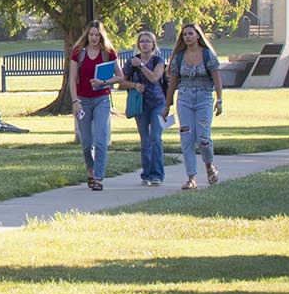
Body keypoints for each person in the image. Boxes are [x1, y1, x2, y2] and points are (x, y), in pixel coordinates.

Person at [166, 22, 224, 190]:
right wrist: (167, 105)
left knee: (203, 138)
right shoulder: (178, 57)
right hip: (184, 97)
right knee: (187, 137)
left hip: (204, 96)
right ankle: (191, 178)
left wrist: (219, 100)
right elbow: (173, 82)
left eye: (191, 34)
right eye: (185, 35)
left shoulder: (208, 55)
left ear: (198, 35)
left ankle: (209, 165)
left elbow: (217, 79)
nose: (188, 37)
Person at [67, 20, 118, 191]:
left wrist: (104, 81)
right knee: (87, 141)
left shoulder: (108, 53)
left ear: (101, 36)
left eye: (97, 35)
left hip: (101, 99)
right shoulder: (78, 53)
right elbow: (72, 79)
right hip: (83, 100)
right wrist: (75, 102)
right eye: (91, 34)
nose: (94, 38)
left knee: (101, 139)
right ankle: (90, 168)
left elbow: (120, 76)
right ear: (87, 35)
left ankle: (98, 176)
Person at [118, 30, 170, 186]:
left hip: (158, 104)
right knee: (145, 140)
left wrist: (141, 65)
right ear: (138, 45)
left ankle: (157, 175)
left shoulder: (158, 61)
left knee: (156, 138)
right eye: (142, 41)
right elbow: (121, 82)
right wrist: (134, 85)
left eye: (148, 41)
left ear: (153, 44)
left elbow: (155, 78)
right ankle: (146, 174)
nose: (145, 44)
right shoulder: (131, 62)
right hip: (140, 105)